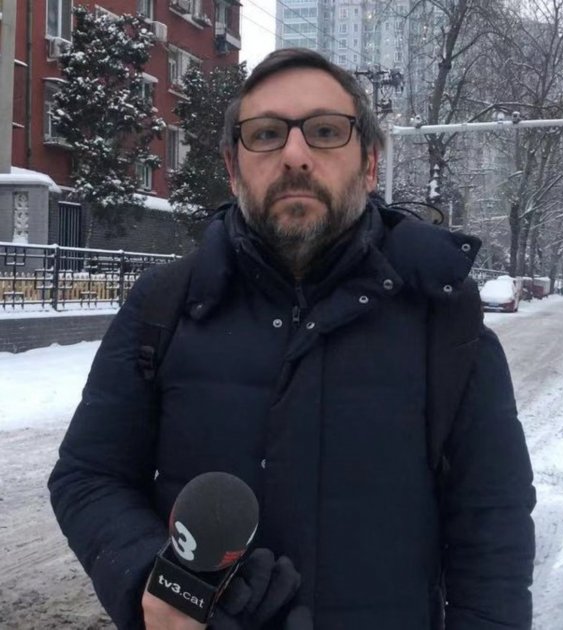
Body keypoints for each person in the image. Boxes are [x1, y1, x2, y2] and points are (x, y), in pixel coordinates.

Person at [49, 48, 536, 630]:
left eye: (326, 132)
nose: (295, 155)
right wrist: (147, 579)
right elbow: (88, 475)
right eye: (266, 134)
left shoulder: (444, 318)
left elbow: (493, 531)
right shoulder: (164, 306)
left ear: (370, 165)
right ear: (233, 168)